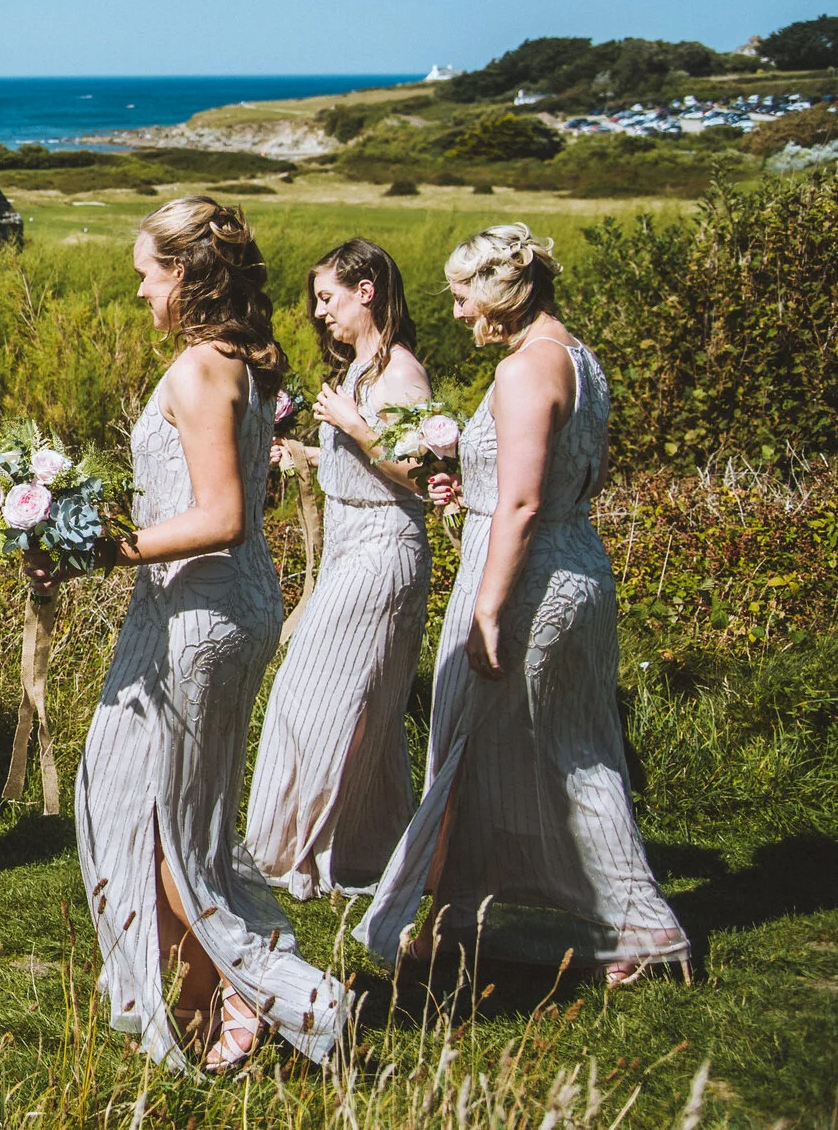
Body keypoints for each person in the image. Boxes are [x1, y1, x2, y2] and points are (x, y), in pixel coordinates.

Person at [357, 226, 688, 984]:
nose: (457, 306)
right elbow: (579, 479)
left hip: (525, 580)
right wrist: (468, 486)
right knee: (574, 746)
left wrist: (488, 609)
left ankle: (624, 924)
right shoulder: (580, 359)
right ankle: (473, 917)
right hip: (578, 565)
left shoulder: (524, 370)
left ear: (503, 289)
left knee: (469, 742)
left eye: (464, 291)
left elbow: (525, 502)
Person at [72, 198, 345, 1074]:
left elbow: (223, 513)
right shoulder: (241, 363)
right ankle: (198, 999)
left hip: (198, 614)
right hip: (222, 604)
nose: (141, 289)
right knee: (169, 812)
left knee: (165, 824)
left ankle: (275, 994)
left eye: (149, 272)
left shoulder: (199, 368)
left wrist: (105, 547)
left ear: (185, 274)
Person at [246, 239, 435, 900]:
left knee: (312, 696)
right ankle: (359, 848)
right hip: (353, 545)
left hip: (383, 551)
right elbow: (361, 460)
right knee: (352, 707)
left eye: (328, 297)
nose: (320, 312)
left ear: (368, 291)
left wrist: (354, 426)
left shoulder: (399, 371)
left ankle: (290, 849)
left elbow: (418, 473)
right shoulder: (359, 369)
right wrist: (301, 448)